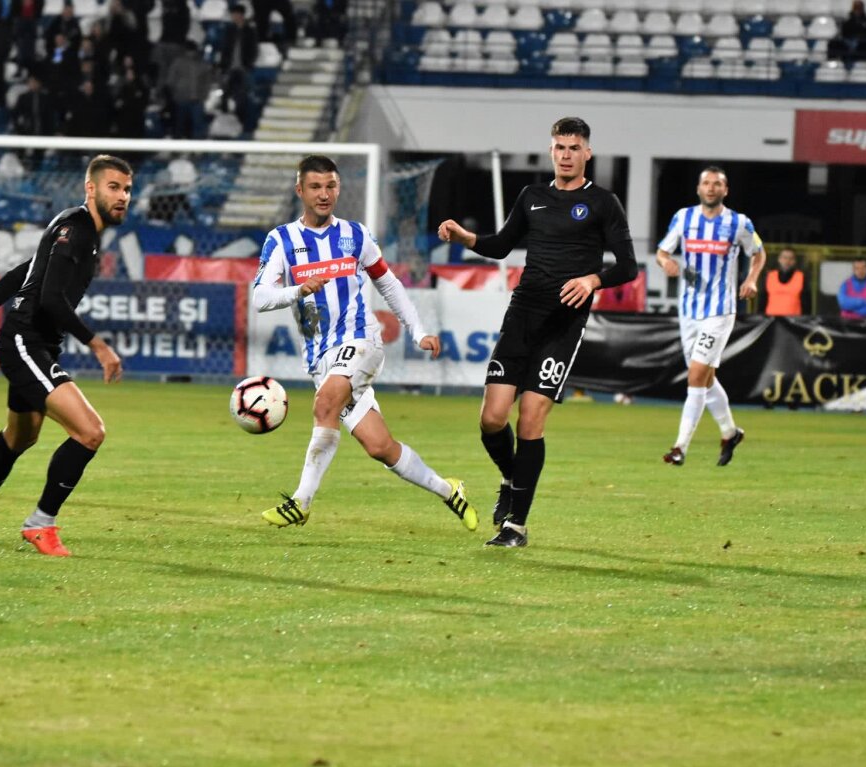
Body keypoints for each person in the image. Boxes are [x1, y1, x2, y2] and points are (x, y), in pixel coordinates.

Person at [438, 117, 637, 547]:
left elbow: (628, 266)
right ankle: (512, 478)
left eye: (573, 147)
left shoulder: (603, 203)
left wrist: (592, 281)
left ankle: (516, 527)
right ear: (551, 151)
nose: (565, 155)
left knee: (530, 420)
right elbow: (500, 244)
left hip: (564, 322)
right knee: (492, 418)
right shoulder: (533, 196)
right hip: (523, 313)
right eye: (559, 147)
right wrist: (463, 236)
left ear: (588, 153)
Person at [254, 154, 478, 534]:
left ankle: (301, 501)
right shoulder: (282, 239)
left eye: (331, 186)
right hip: (321, 358)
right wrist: (297, 290)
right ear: (300, 191)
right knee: (380, 447)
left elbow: (387, 283)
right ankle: (448, 489)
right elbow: (260, 297)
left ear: (338, 188)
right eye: (315, 187)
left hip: (362, 341)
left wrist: (417, 330)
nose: (324, 195)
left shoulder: (355, 235)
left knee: (325, 403)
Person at [0, 155, 131, 557]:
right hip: (25, 341)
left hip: (34, 342)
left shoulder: (80, 229)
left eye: (127, 189)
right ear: (90, 189)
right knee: (90, 431)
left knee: (20, 436)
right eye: (114, 187)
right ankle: (41, 523)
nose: (123, 196)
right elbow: (51, 300)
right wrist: (98, 345)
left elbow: (22, 272)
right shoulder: (75, 230)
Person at [656, 166, 764, 469]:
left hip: (720, 310)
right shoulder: (684, 218)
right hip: (688, 310)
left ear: (725, 190)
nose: (711, 188)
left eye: (717, 184)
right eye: (706, 183)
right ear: (699, 188)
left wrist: (751, 278)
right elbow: (663, 251)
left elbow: (758, 252)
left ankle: (679, 448)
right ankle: (730, 433)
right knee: (706, 376)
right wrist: (666, 263)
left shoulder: (739, 222)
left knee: (695, 375)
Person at [763, 246, 809, 316]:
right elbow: (763, 299)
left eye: (791, 258)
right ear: (779, 259)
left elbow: (806, 303)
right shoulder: (770, 276)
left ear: (795, 261)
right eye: (784, 258)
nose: (787, 261)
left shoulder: (801, 277)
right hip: (771, 321)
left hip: (793, 322)